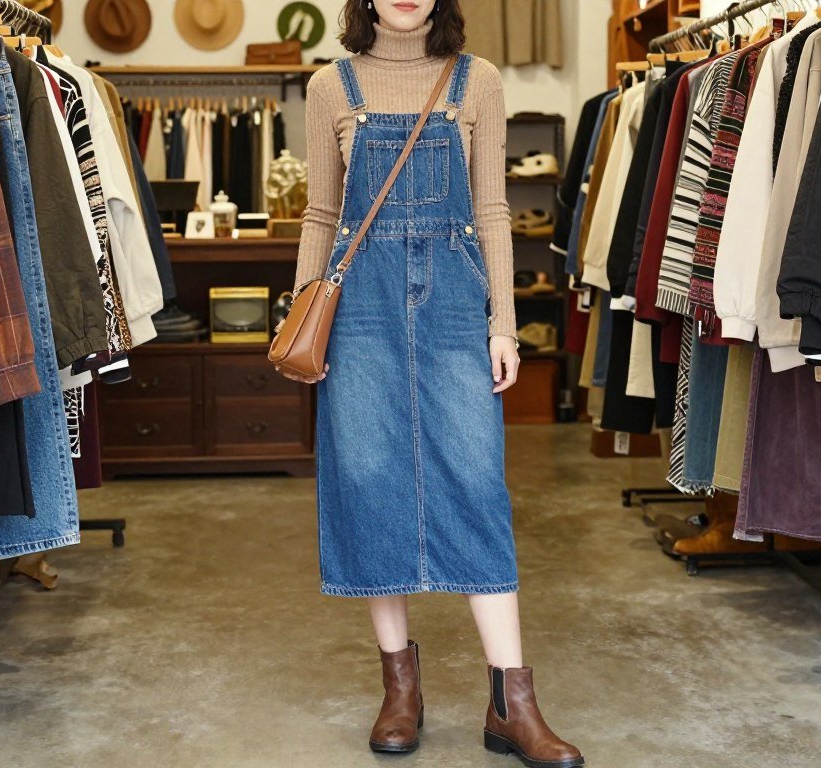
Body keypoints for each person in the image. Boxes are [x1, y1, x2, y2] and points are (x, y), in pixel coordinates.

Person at [278, 1, 584, 765]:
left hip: (453, 303)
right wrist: (302, 320)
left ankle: (512, 701)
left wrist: (504, 324)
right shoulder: (330, 87)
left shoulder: (475, 80)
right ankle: (400, 691)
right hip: (360, 313)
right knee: (371, 477)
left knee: (476, 482)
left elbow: (491, 209)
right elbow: (321, 212)